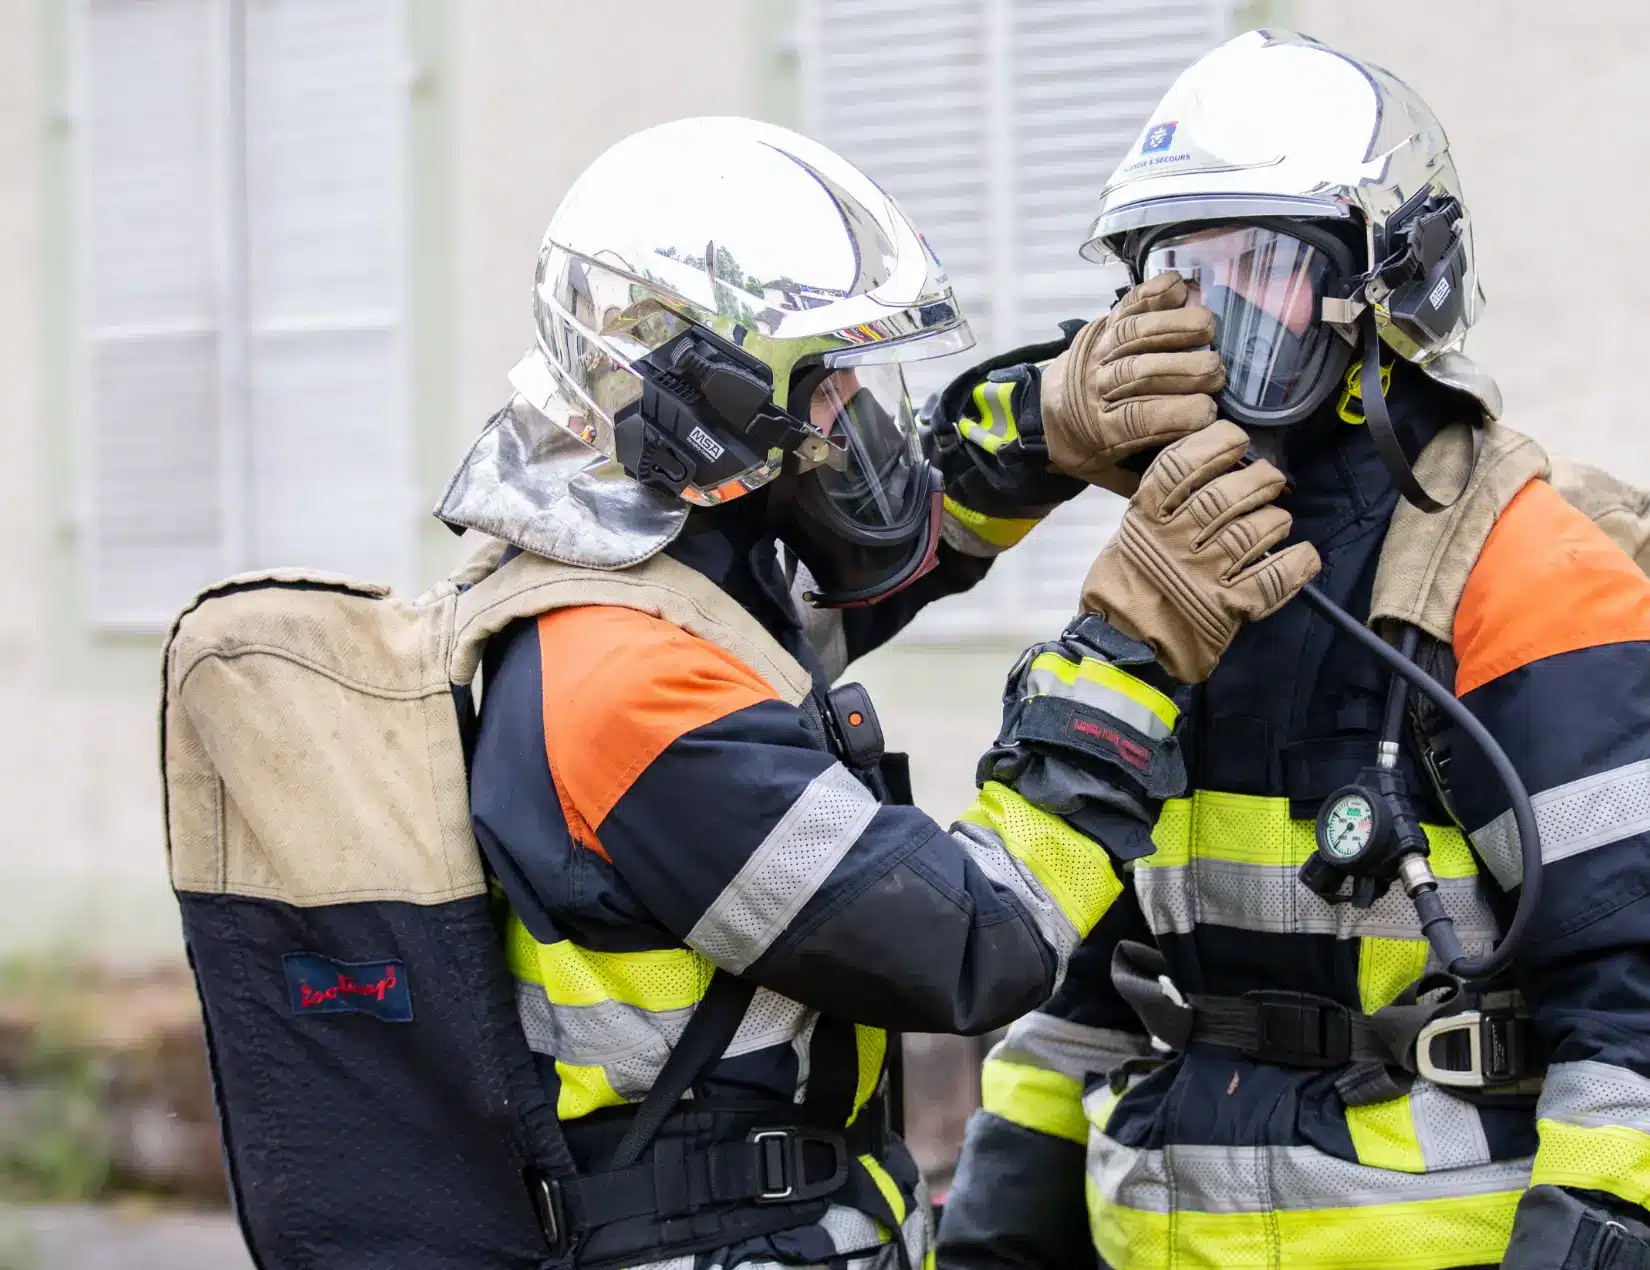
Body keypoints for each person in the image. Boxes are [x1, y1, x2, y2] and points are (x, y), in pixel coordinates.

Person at [934, 30, 1650, 1270]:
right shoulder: (1174, 572)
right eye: (1176, 279)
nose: (1211, 325)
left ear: (1390, 293)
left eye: (1259, 271)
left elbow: (1635, 1001)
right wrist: (996, 1233)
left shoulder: (1524, 568)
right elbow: (1095, 986)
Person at [433, 116, 1199, 1270]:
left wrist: (1039, 429)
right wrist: (1135, 646)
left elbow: (849, 575)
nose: (856, 413)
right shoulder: (629, 688)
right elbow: (975, 941)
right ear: (715, 407)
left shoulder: (649, 579)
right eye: (828, 381)